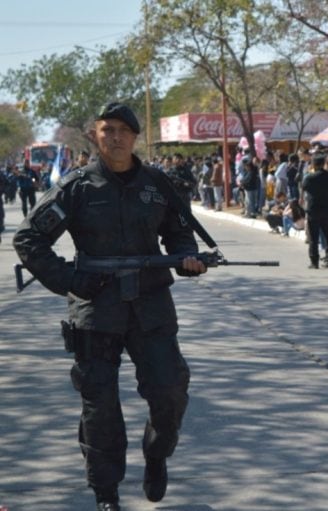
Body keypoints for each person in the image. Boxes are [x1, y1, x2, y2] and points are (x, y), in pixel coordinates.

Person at [13, 102, 207, 511]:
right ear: (95, 136)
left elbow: (180, 235)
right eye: (106, 130)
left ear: (136, 137)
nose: (115, 137)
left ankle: (156, 455)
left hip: (151, 306)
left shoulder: (159, 185)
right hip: (95, 308)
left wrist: (188, 259)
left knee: (170, 392)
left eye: (122, 130)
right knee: (99, 406)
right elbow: (29, 240)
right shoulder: (77, 187)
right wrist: (69, 279)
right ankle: (106, 493)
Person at [302, 153, 328, 269]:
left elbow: (304, 186)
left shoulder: (310, 177)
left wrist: (310, 172)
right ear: (323, 164)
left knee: (314, 237)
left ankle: (314, 261)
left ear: (313, 164)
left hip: (314, 209)